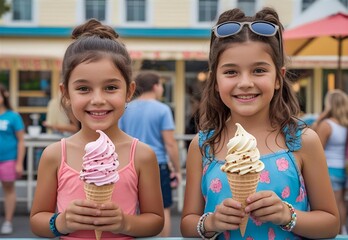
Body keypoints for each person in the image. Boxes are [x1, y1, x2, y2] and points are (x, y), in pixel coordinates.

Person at [180, 7, 340, 239]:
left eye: (259, 70)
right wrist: (211, 221)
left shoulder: (302, 140)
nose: (245, 82)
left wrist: (288, 215)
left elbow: (331, 223)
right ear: (215, 80)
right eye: (231, 72)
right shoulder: (203, 145)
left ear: (278, 78)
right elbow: (187, 224)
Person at [29, 19, 164, 239]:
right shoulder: (54, 155)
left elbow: (155, 220)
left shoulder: (141, 155)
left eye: (111, 87)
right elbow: (37, 220)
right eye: (83, 89)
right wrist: (60, 222)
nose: (98, 100)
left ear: (129, 91)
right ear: (66, 93)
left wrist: (125, 223)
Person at [119, 71, 182, 237]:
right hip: (157, 164)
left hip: (129, 164)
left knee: (131, 209)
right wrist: (177, 168)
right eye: (161, 85)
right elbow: (169, 142)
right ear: (155, 86)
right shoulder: (162, 109)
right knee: (163, 208)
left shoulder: (126, 108)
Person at [312, 89, 348, 235]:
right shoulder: (345, 124)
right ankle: (341, 232)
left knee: (329, 208)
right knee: (340, 203)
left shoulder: (327, 125)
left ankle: (335, 232)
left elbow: (316, 150)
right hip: (342, 170)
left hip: (328, 169)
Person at [0, 84, 25, 234]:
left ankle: (8, 221)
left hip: (8, 160)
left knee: (9, 189)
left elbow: (21, 140)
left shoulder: (13, 116)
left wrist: (19, 163)